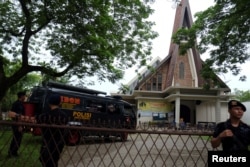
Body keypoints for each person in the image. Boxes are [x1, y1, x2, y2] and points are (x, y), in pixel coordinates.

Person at [37, 94, 68, 167]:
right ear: (60, 103)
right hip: (58, 143)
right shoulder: (64, 116)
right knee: (54, 161)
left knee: (45, 161)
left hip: (47, 142)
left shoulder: (44, 116)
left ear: (49, 103)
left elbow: (35, 120)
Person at [8, 91, 26, 157]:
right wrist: (20, 125)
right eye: (24, 96)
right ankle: (12, 152)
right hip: (17, 124)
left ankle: (14, 152)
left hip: (17, 123)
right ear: (21, 96)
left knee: (18, 138)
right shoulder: (18, 104)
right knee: (17, 138)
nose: (25, 97)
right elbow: (18, 116)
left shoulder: (18, 104)